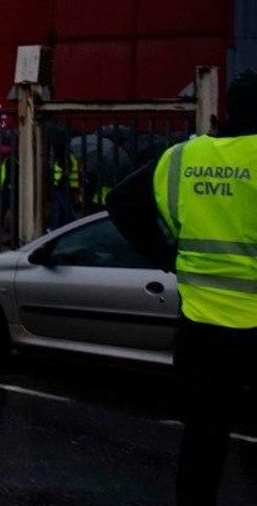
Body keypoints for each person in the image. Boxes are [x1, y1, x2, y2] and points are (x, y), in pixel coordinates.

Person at [110, 70, 257, 506]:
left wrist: (167, 256)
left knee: (205, 430)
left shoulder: (182, 158)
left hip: (202, 322)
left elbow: (121, 203)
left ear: (225, 108)